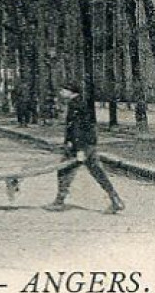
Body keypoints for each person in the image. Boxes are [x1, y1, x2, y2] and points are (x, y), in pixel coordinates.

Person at [47, 82, 124, 215]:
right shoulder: (79, 103)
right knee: (97, 172)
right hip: (87, 144)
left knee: (65, 171)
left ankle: (59, 202)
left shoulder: (75, 105)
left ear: (70, 91)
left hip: (81, 146)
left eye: (63, 90)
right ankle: (115, 199)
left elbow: (77, 128)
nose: (61, 93)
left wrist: (79, 149)